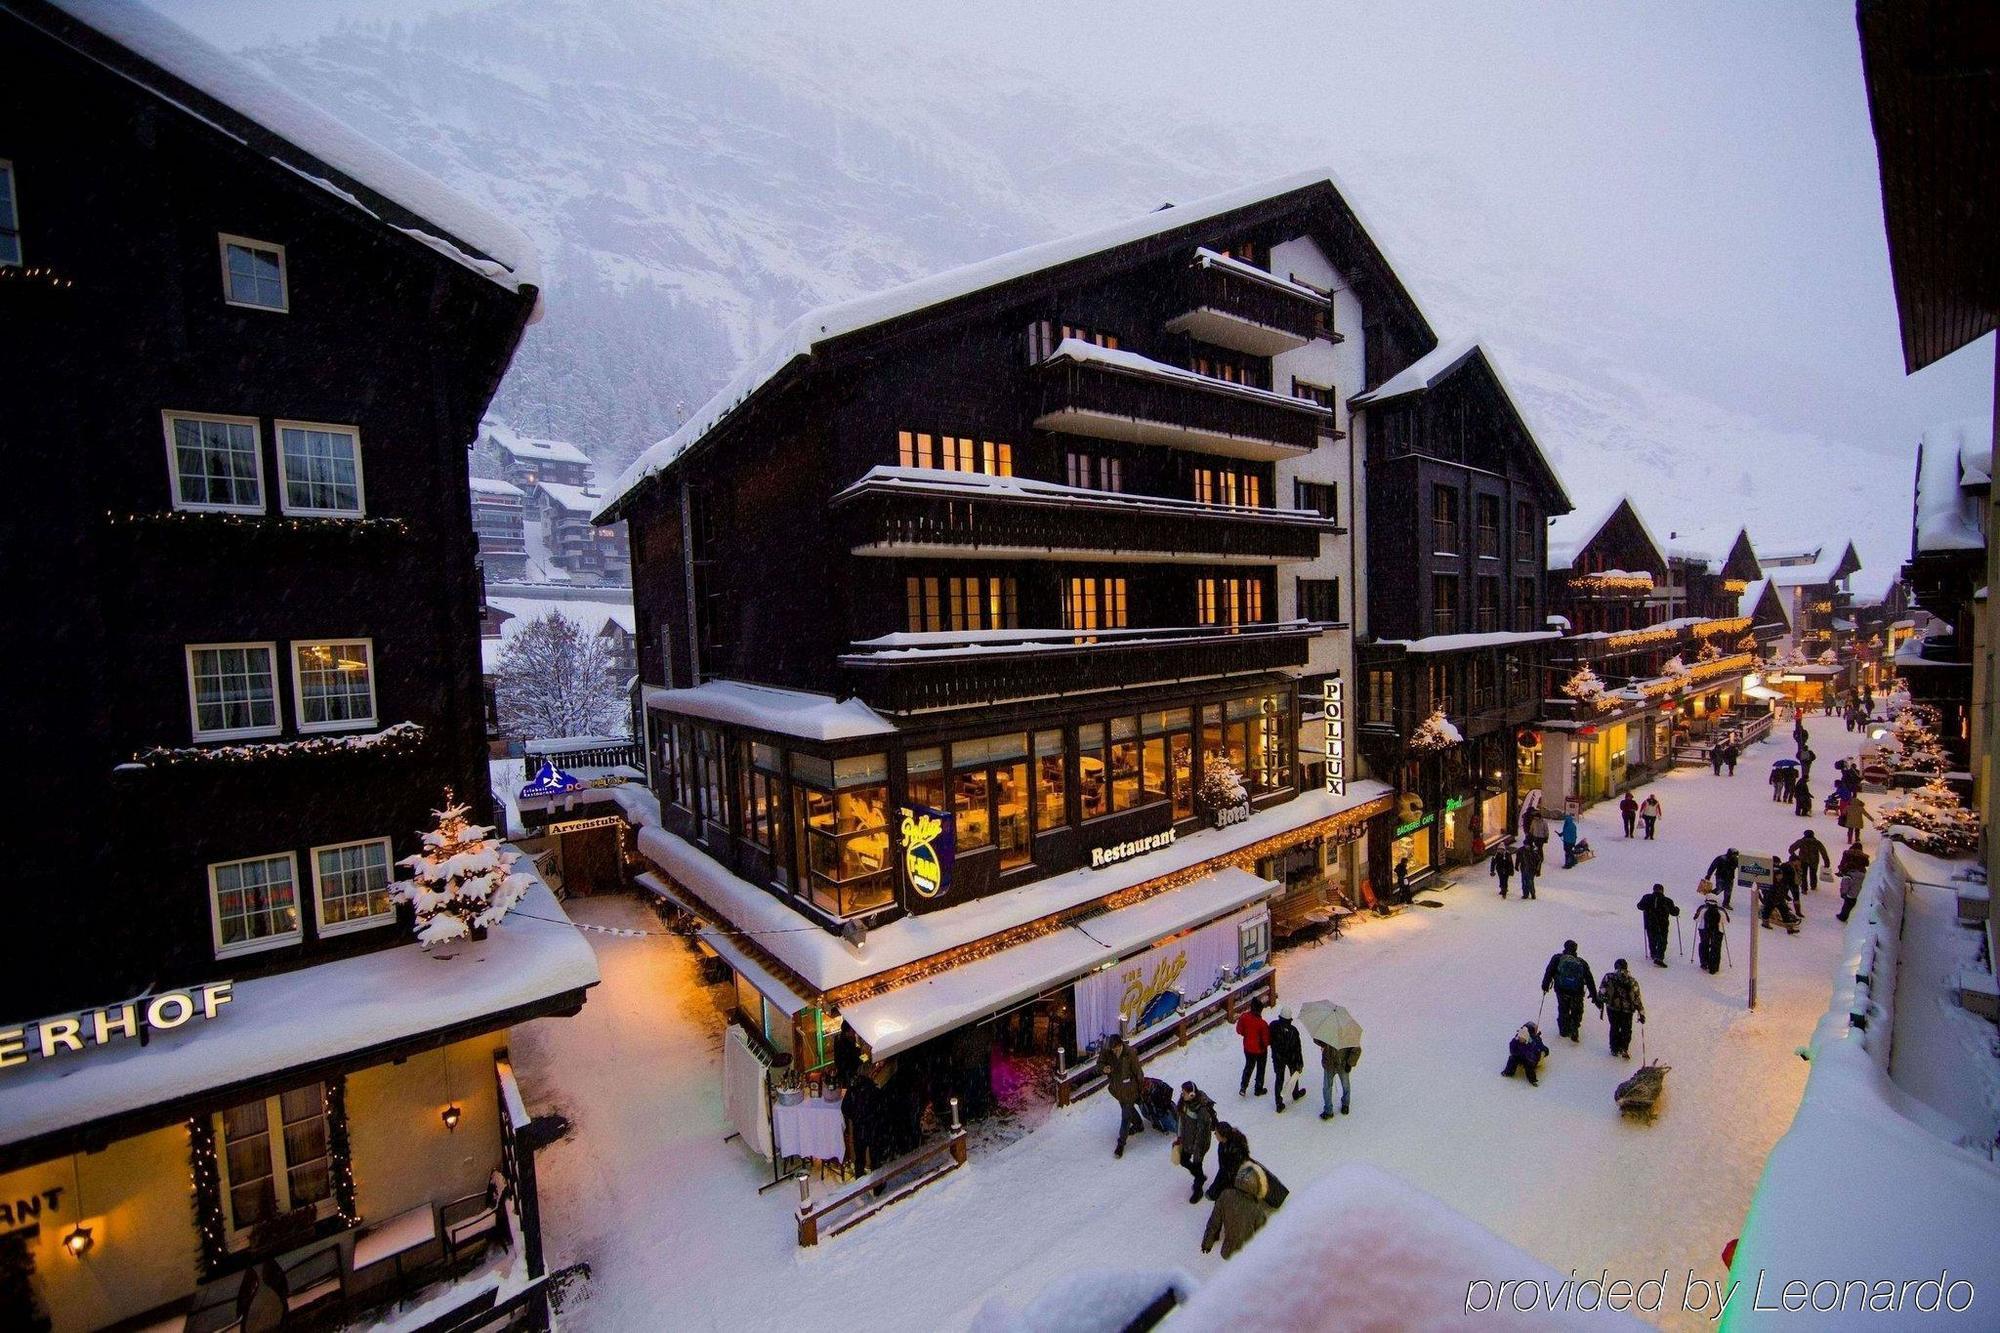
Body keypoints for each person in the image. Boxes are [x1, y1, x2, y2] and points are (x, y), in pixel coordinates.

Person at [1201, 1162, 1276, 1259]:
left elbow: (1214, 1221)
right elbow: (1263, 1236)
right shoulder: (1256, 1209)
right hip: (1246, 1254)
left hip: (1227, 1249)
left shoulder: (1225, 1195)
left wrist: (1207, 1243)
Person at [1540, 939, 1601, 1041]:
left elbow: (1549, 971)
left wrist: (1545, 985)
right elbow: (1590, 979)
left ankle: (1564, 1030)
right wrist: (1594, 996)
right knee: (1577, 1010)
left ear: (1565, 947)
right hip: (1577, 991)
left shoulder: (1557, 958)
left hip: (1561, 989)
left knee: (1563, 1008)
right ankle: (1574, 1029)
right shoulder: (1581, 962)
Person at [1097, 1034, 1145, 1158]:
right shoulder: (1107, 1050)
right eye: (1112, 1049)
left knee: (1125, 1116)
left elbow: (1138, 1072)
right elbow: (1099, 1064)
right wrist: (1104, 1068)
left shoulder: (1130, 1053)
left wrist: (1141, 1088)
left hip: (1130, 1089)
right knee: (1126, 1108)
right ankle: (1139, 1125)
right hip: (1117, 1089)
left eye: (1116, 1049)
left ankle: (1121, 1144)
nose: (1114, 1051)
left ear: (1120, 1045)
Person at [1174, 1081, 1216, 1203]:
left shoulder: (1202, 1111)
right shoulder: (1185, 1103)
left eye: (1184, 1093)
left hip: (1199, 1144)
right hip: (1187, 1140)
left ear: (1192, 1094)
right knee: (1183, 1160)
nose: (1182, 1095)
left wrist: (1197, 1151)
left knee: (1198, 1165)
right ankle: (1200, 1176)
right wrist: (1179, 1137)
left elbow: (1202, 1134)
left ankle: (1198, 1190)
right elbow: (1181, 1121)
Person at [1599, 959, 1646, 1058]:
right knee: (1626, 1029)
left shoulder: (1609, 977)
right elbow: (1637, 998)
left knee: (1614, 1027)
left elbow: (1602, 992)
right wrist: (1641, 1012)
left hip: (1612, 1008)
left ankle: (1614, 1048)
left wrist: (1604, 1001)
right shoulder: (1632, 981)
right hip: (1627, 1010)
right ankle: (1624, 1048)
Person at [1267, 1006, 1305, 1112]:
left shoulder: (1273, 1026)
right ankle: (1295, 1093)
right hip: (1291, 1057)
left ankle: (1279, 1103)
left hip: (1278, 1057)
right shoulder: (1294, 1031)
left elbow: (1269, 1040)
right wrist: (1300, 1062)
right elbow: (1298, 1048)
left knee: (1279, 1078)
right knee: (1294, 1075)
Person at [1205, 1121, 1251, 1202]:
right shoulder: (1223, 1144)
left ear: (1223, 1136)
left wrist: (1213, 1190)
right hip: (1230, 1174)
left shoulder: (1234, 1148)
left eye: (1216, 1133)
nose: (1215, 1134)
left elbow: (1226, 1170)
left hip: (1236, 1177)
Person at [1638, 883, 1680, 967]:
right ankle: (1659, 957)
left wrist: (1646, 906)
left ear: (1653, 890)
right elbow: (1674, 912)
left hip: (1650, 922)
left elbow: (1639, 906)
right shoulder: (1667, 900)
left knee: (1651, 937)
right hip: (1662, 923)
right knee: (1662, 940)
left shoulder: (1647, 897)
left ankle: (1653, 953)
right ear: (1662, 890)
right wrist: (1677, 909)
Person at [1316, 1038, 1359, 1119]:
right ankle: (1328, 1110)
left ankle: (1345, 1104)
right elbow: (1317, 1039)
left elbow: (1356, 1049)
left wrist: (1350, 1063)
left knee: (1345, 1085)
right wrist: (1320, 1041)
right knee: (1326, 1088)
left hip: (1343, 1064)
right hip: (1329, 1064)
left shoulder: (1348, 1033)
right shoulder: (1327, 1030)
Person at [1235, 1000, 1270, 1098]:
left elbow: (1239, 1030)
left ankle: (1243, 1087)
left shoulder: (1244, 1017)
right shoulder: (1262, 1024)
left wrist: (1247, 1035)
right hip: (1260, 1050)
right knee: (1260, 1068)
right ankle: (1258, 1089)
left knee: (1248, 1067)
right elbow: (1266, 1041)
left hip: (1248, 1048)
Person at [1694, 896, 1728, 974]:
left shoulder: (1702, 908)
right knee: (1716, 948)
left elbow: (1696, 919)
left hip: (1704, 930)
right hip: (1717, 931)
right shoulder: (1721, 910)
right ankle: (1714, 967)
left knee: (1704, 944)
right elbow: (1726, 921)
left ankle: (1704, 962)